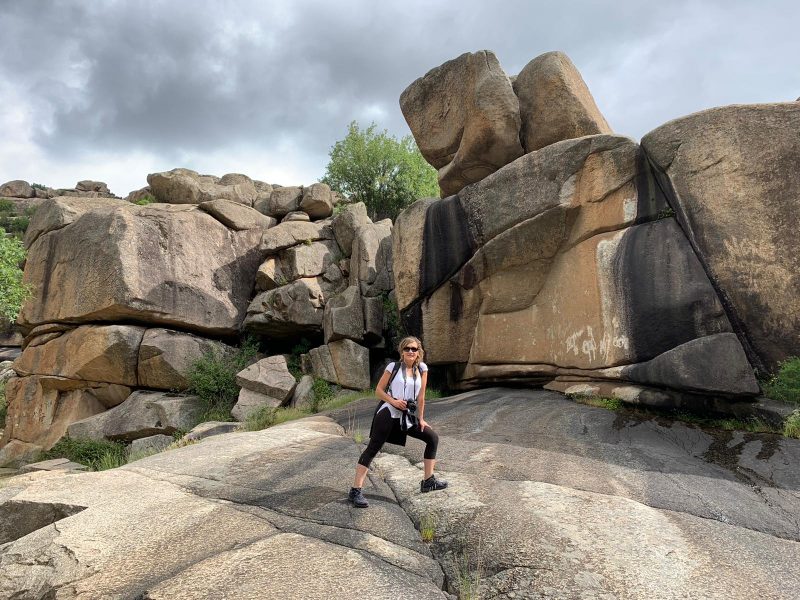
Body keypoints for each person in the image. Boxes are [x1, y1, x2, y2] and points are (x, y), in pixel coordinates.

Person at [348, 336, 447, 508]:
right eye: (407, 348)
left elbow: (421, 397)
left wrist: (421, 419)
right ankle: (355, 490)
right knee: (373, 448)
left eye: (414, 349)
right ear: (402, 351)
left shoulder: (422, 369)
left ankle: (428, 481)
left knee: (432, 438)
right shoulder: (392, 367)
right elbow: (378, 391)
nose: (410, 351)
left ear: (418, 352)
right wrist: (393, 401)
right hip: (388, 413)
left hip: (407, 416)